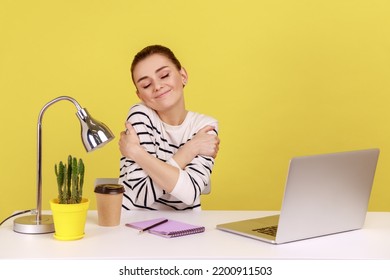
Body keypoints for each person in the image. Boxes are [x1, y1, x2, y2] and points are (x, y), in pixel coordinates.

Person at [118, 45, 220, 210]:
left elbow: (189, 193)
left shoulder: (204, 126)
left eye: (164, 75)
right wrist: (190, 149)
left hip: (184, 229)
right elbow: (143, 195)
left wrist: (136, 152)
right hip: (131, 226)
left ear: (183, 76)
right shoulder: (140, 115)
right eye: (145, 85)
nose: (157, 86)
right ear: (140, 95)